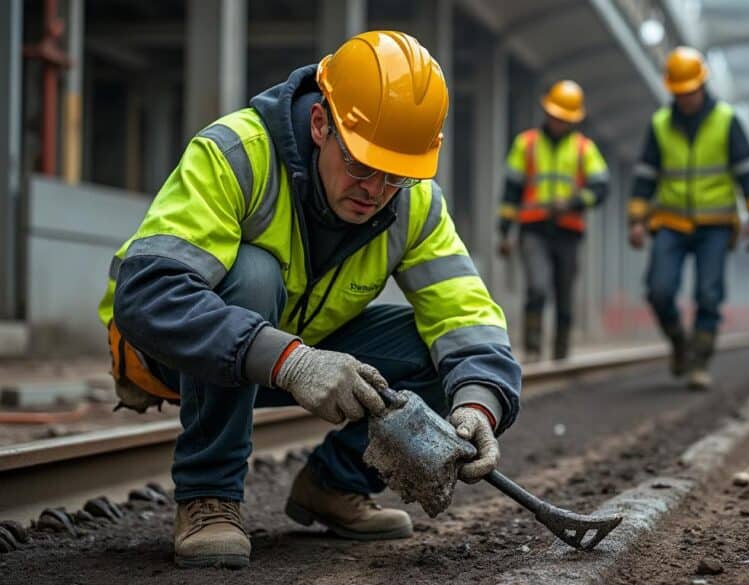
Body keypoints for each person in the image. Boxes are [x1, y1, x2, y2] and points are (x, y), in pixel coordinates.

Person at [97, 31, 520, 569]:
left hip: (293, 347)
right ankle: (209, 496)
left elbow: (467, 317)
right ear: (321, 124)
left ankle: (333, 485)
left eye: (395, 175)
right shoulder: (236, 154)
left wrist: (478, 404)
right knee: (253, 274)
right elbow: (149, 294)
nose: (375, 189)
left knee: (448, 354)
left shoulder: (413, 204)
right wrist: (290, 360)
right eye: (362, 164)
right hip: (172, 350)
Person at [628, 47, 749, 389]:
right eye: (680, 92)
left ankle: (699, 362)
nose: (686, 98)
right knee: (659, 290)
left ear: (702, 85)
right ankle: (679, 343)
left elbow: (748, 170)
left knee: (708, 294)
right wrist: (636, 219)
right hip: (670, 223)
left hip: (715, 225)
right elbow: (645, 175)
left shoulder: (726, 121)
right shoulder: (660, 125)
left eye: (691, 90)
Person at [496, 80, 609, 362]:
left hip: (568, 232)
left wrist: (572, 202)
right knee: (537, 287)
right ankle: (533, 349)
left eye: (564, 118)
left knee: (564, 295)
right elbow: (511, 191)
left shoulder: (584, 149)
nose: (558, 122)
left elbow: (601, 188)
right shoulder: (526, 144)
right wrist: (504, 232)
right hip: (532, 228)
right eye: (555, 116)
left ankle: (561, 355)